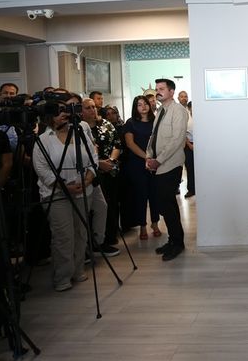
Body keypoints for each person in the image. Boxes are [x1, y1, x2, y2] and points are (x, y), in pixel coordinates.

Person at [32, 94, 107, 291]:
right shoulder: (43, 139)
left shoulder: (79, 132)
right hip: (56, 194)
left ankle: (78, 269)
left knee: (81, 232)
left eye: (65, 110)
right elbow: (41, 169)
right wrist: (64, 187)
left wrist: (88, 178)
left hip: (83, 190)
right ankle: (62, 276)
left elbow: (93, 157)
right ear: (50, 116)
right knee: (63, 236)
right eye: (58, 112)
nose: (64, 114)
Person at [146, 79, 189, 262]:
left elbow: (177, 140)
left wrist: (158, 160)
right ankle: (173, 240)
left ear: (171, 92)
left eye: (162, 89)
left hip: (170, 165)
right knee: (165, 204)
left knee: (168, 206)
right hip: (158, 164)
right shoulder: (160, 111)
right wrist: (149, 156)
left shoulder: (178, 110)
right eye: (157, 89)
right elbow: (154, 136)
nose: (158, 91)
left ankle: (177, 243)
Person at [81, 98, 121, 256]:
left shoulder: (106, 124)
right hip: (90, 173)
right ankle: (90, 244)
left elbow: (117, 144)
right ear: (80, 111)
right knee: (92, 209)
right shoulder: (79, 128)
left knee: (110, 205)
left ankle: (107, 238)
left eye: (93, 107)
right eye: (88, 108)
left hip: (110, 170)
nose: (92, 110)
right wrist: (99, 164)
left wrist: (111, 161)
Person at [123, 96, 160, 240]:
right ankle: (143, 225)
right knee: (141, 195)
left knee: (154, 194)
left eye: (145, 104)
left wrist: (154, 159)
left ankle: (155, 223)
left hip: (154, 163)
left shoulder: (155, 121)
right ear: (135, 107)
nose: (143, 107)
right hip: (137, 163)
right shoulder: (130, 123)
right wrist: (146, 157)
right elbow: (130, 144)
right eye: (139, 105)